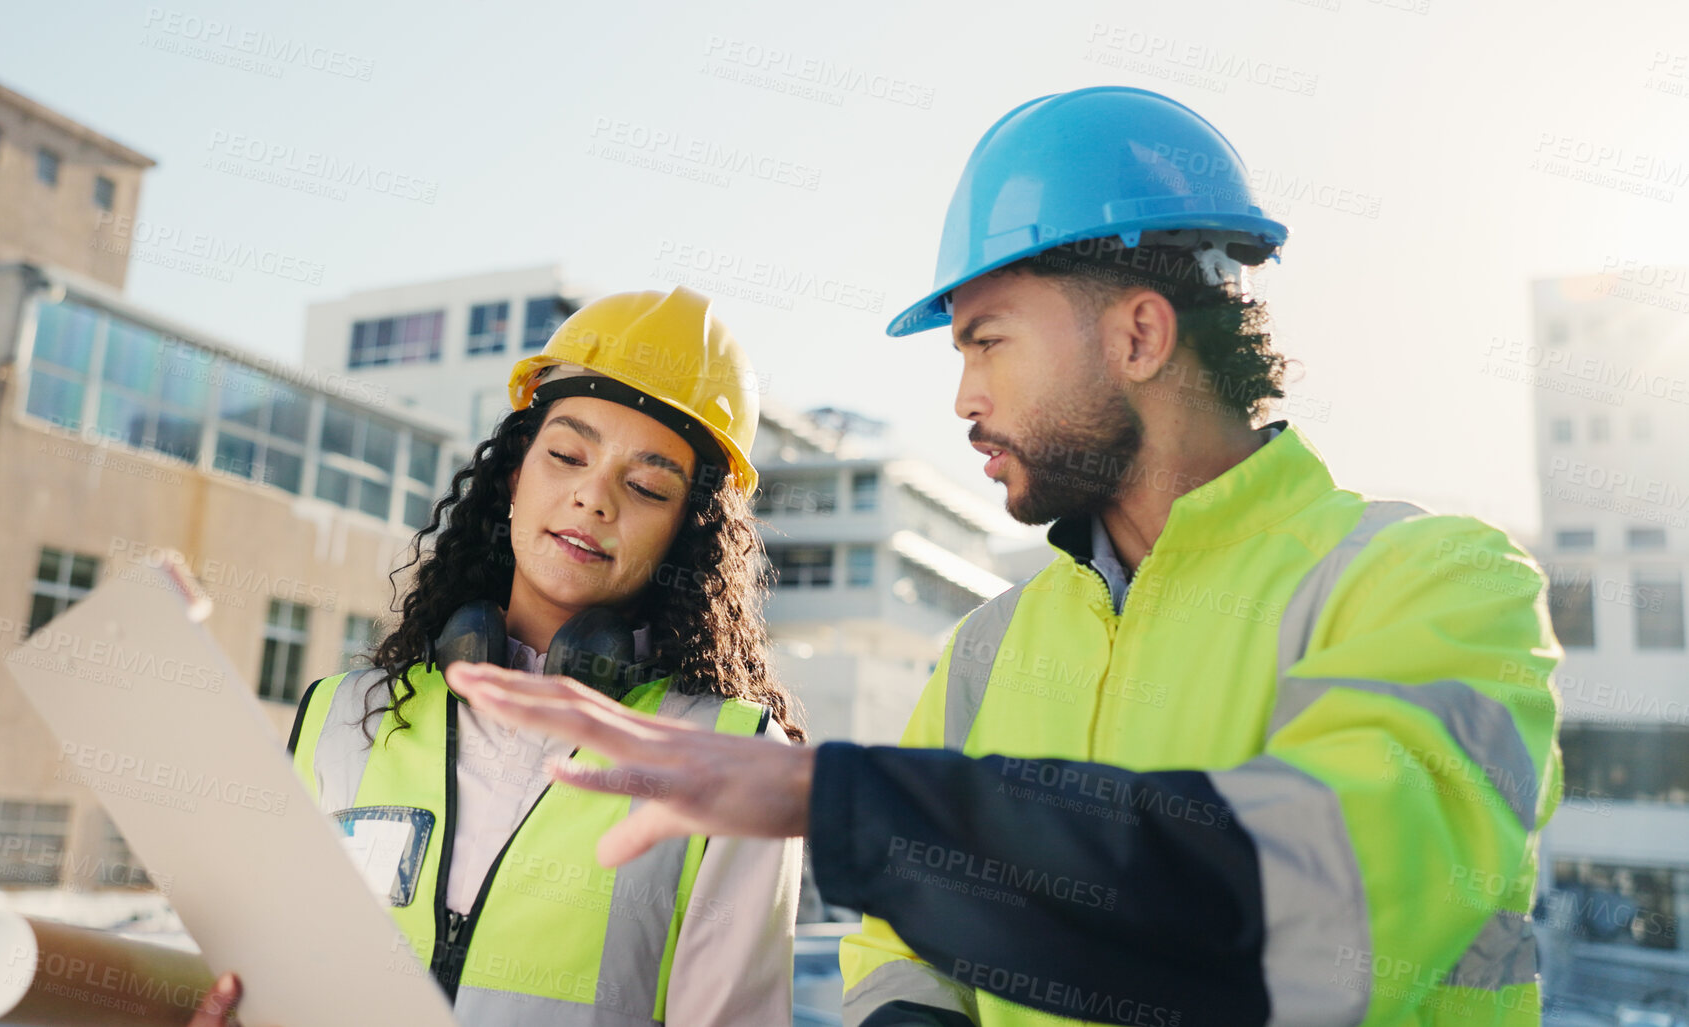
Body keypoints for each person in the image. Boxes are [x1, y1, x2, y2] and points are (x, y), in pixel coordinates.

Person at [446, 87, 1563, 1027]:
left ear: (1138, 334)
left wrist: (842, 802)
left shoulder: (1438, 584)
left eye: (988, 340)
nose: (964, 398)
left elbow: (1318, 906)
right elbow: (900, 940)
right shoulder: (989, 651)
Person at [189, 286, 805, 1026]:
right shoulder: (340, 714)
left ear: (689, 532)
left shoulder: (728, 759)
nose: (592, 497)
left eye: (644, 485)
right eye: (567, 454)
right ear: (514, 474)